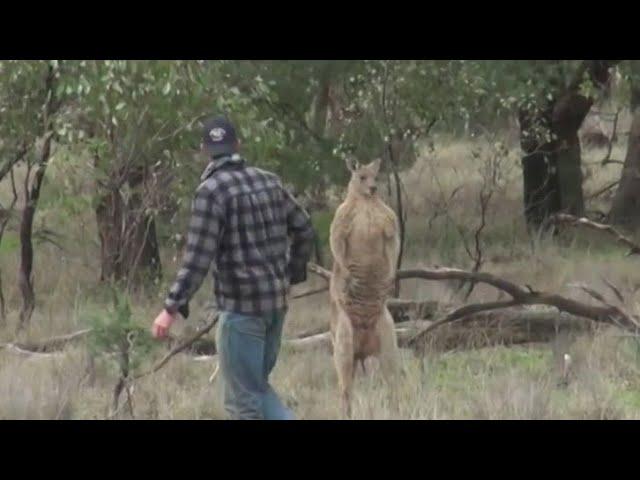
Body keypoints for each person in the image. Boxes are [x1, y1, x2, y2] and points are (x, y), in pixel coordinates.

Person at [151, 115, 315, 420]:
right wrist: (292, 274)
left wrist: (170, 308)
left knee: (245, 404)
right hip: (275, 310)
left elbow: (198, 257)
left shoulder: (210, 192)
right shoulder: (269, 181)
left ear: (204, 150)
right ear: (237, 145)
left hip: (241, 314)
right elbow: (305, 229)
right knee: (256, 391)